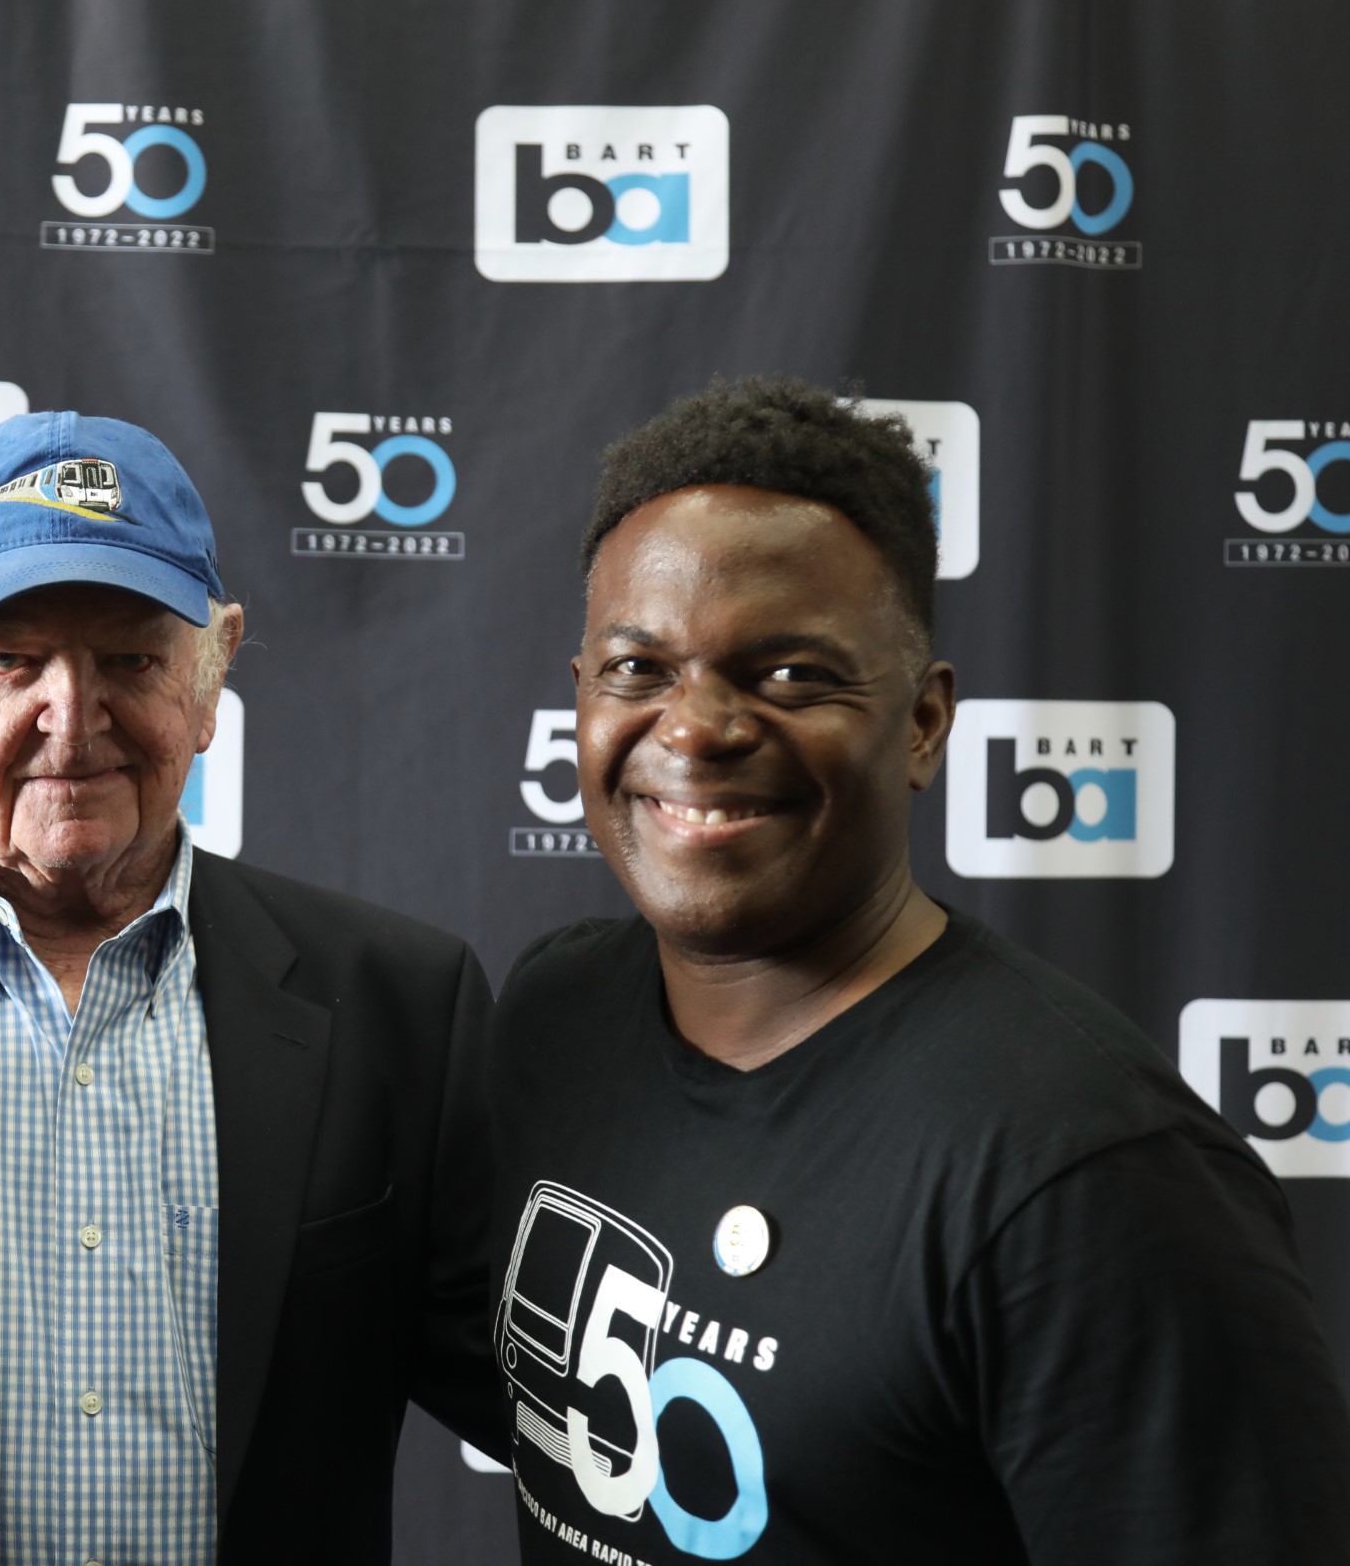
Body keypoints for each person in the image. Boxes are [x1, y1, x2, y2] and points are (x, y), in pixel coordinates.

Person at [487, 377, 1350, 1563]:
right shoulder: (554, 1015)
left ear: (924, 724)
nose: (695, 730)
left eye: (789, 674)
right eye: (640, 669)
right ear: (581, 699)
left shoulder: (1093, 1179)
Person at [0, 411, 506, 1564]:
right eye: (11, 658)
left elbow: (550, 1410)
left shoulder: (403, 1004)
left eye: (131, 658)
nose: (73, 717)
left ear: (213, 672)